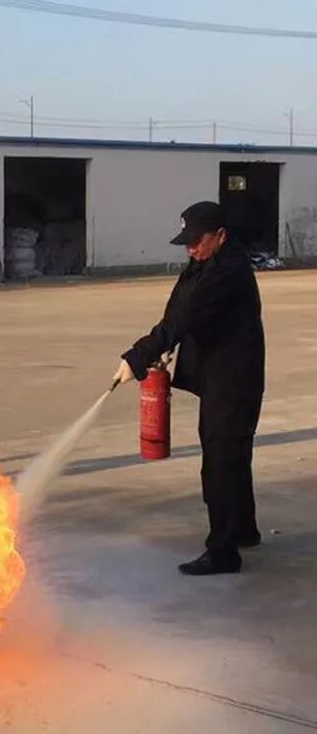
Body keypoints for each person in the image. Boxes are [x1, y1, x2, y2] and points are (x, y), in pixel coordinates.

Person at [113, 200, 265, 576]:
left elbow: (186, 316)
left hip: (233, 380)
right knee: (231, 456)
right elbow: (178, 310)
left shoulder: (226, 271)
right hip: (219, 376)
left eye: (197, 241)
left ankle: (223, 552)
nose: (191, 249)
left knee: (220, 464)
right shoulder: (204, 263)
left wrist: (138, 356)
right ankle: (242, 530)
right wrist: (163, 349)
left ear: (220, 236)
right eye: (187, 242)